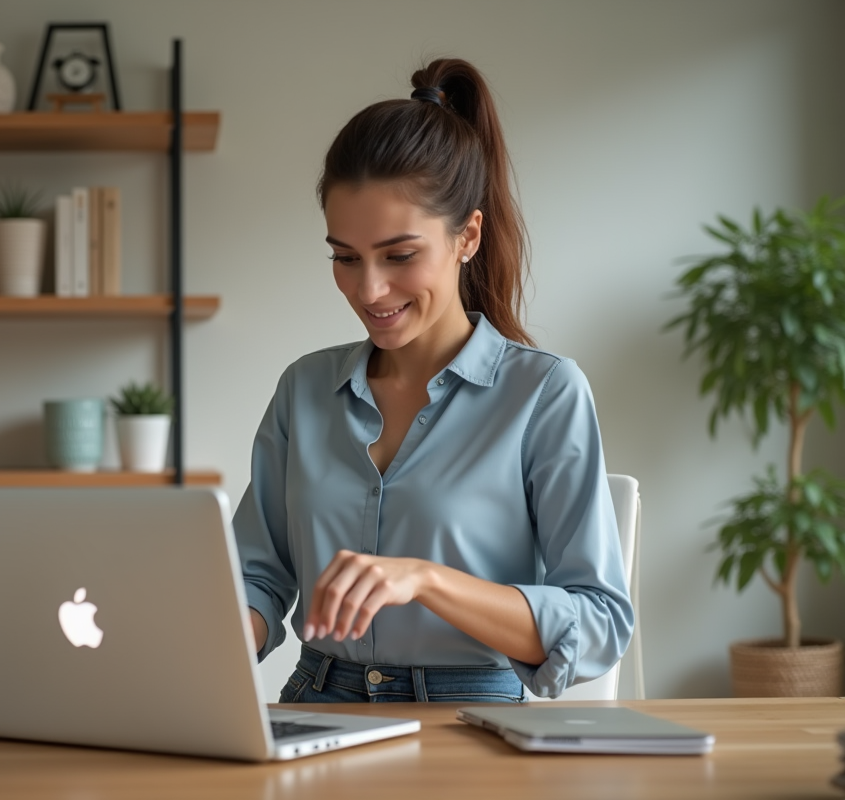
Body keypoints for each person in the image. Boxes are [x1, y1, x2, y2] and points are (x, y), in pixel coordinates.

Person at [235, 58, 634, 703]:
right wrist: (210, 632)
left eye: (399, 255)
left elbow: (598, 622)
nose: (368, 289)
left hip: (468, 717)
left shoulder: (544, 395)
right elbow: (257, 573)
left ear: (467, 236)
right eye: (344, 257)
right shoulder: (303, 390)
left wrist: (426, 579)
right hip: (314, 706)